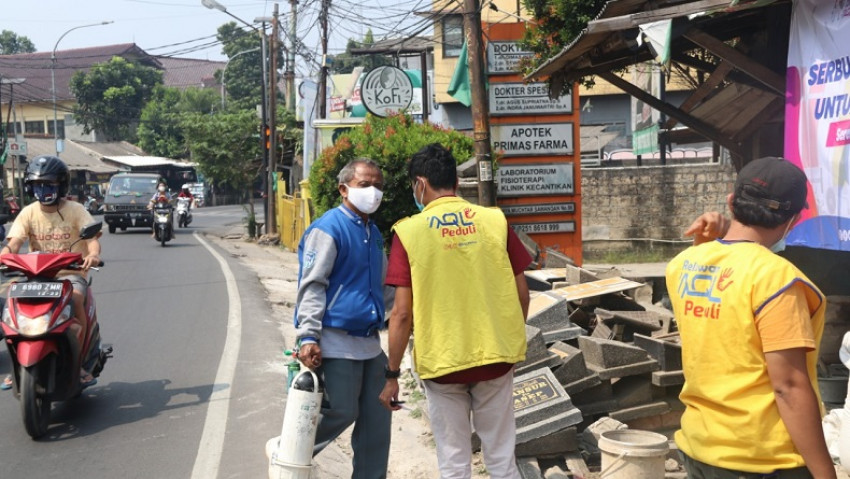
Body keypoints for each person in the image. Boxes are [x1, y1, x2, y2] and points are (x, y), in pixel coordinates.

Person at [665, 156, 836, 479]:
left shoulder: (684, 263)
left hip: (699, 446)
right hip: (761, 459)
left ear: (731, 201)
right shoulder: (777, 279)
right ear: (795, 219)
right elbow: (788, 385)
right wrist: (825, 474)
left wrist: (708, 238)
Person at [378, 143, 532, 479]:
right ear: (456, 184)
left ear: (420, 184)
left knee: (454, 462)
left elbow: (402, 314)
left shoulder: (410, 232)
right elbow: (522, 293)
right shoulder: (494, 221)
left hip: (443, 363)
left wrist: (392, 375)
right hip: (496, 358)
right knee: (502, 460)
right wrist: (508, 337)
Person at [294, 158, 392, 479]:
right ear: (343, 188)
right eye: (365, 184)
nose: (373, 192)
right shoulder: (328, 228)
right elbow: (312, 284)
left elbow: (383, 287)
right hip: (335, 342)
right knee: (341, 411)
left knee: (378, 422)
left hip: (370, 344)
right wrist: (308, 336)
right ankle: (290, 450)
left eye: (378, 185)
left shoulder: (374, 233)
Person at [0, 155, 102, 386]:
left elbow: (92, 239)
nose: (43, 190)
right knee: (11, 305)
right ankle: (17, 363)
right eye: (38, 185)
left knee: (76, 300)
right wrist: (4, 255)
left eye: (49, 185)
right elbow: (14, 243)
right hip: (37, 276)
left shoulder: (76, 210)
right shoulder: (28, 212)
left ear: (61, 186)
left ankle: (81, 363)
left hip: (70, 275)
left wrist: (93, 255)